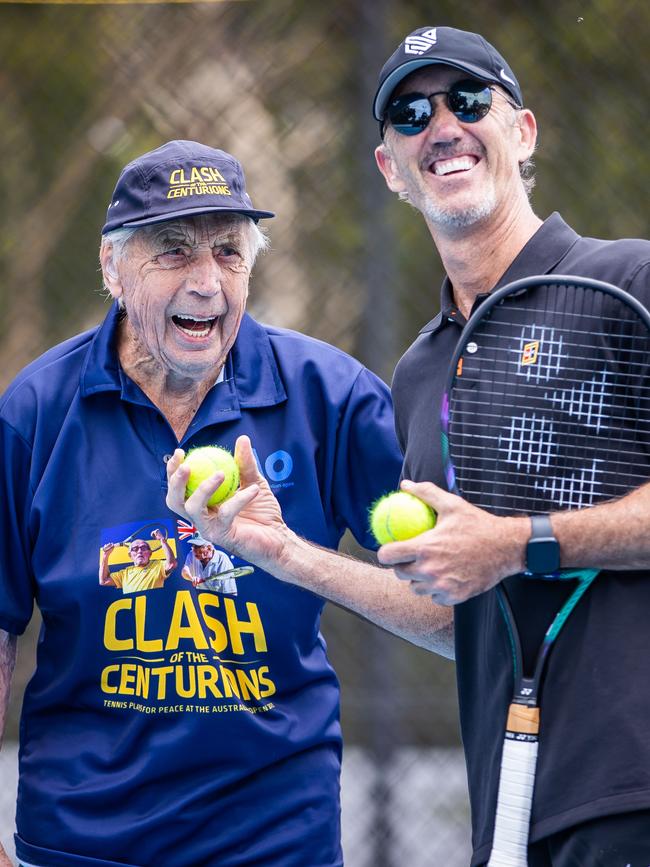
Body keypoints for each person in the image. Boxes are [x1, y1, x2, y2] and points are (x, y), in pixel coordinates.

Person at [165, 28, 650, 867]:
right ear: (390, 166)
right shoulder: (422, 369)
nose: (443, 125)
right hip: (515, 812)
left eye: (469, 101)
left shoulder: (626, 283)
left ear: (524, 131)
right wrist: (286, 554)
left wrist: (516, 542)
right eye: (410, 112)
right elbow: (457, 615)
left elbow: (502, 557)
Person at [0, 139, 450, 867]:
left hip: (276, 841)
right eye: (173, 251)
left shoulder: (329, 398)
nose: (207, 281)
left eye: (229, 253)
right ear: (113, 268)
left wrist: (294, 557)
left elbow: (458, 613)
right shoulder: (35, 412)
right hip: (81, 842)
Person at [100, 529, 176, 592]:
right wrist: (105, 555)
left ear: (150, 553)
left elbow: (171, 564)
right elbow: (104, 581)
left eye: (143, 548)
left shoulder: (158, 565)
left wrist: (162, 541)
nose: (139, 551)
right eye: (135, 549)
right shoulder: (124, 574)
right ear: (130, 556)